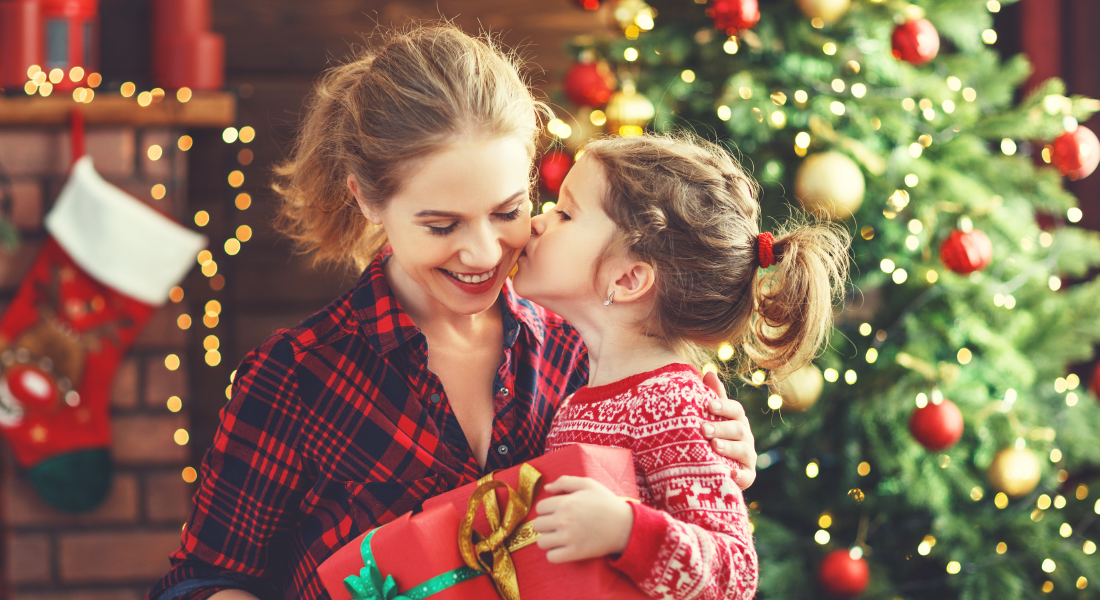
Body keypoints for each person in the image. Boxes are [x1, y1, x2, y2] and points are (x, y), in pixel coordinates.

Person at [147, 24, 758, 600]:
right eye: (442, 224)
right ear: (367, 200)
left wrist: (713, 460)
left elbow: (691, 537)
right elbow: (194, 582)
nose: (484, 253)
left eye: (507, 211)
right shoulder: (297, 377)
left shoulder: (587, 353)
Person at [517, 133, 851, 599]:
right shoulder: (584, 394)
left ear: (629, 278)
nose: (537, 220)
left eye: (565, 213)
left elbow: (734, 577)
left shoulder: (669, 403)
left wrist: (624, 530)